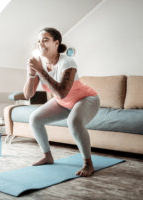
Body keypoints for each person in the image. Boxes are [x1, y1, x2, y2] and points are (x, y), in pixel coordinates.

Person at [23, 27, 100, 177]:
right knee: (35, 119)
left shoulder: (67, 62)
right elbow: (28, 95)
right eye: (39, 41)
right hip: (63, 102)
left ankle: (88, 163)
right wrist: (31, 74)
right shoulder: (41, 64)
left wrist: (41, 70)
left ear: (56, 43)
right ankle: (47, 156)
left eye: (45, 40)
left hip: (86, 99)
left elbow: (61, 93)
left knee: (74, 121)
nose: (41, 44)